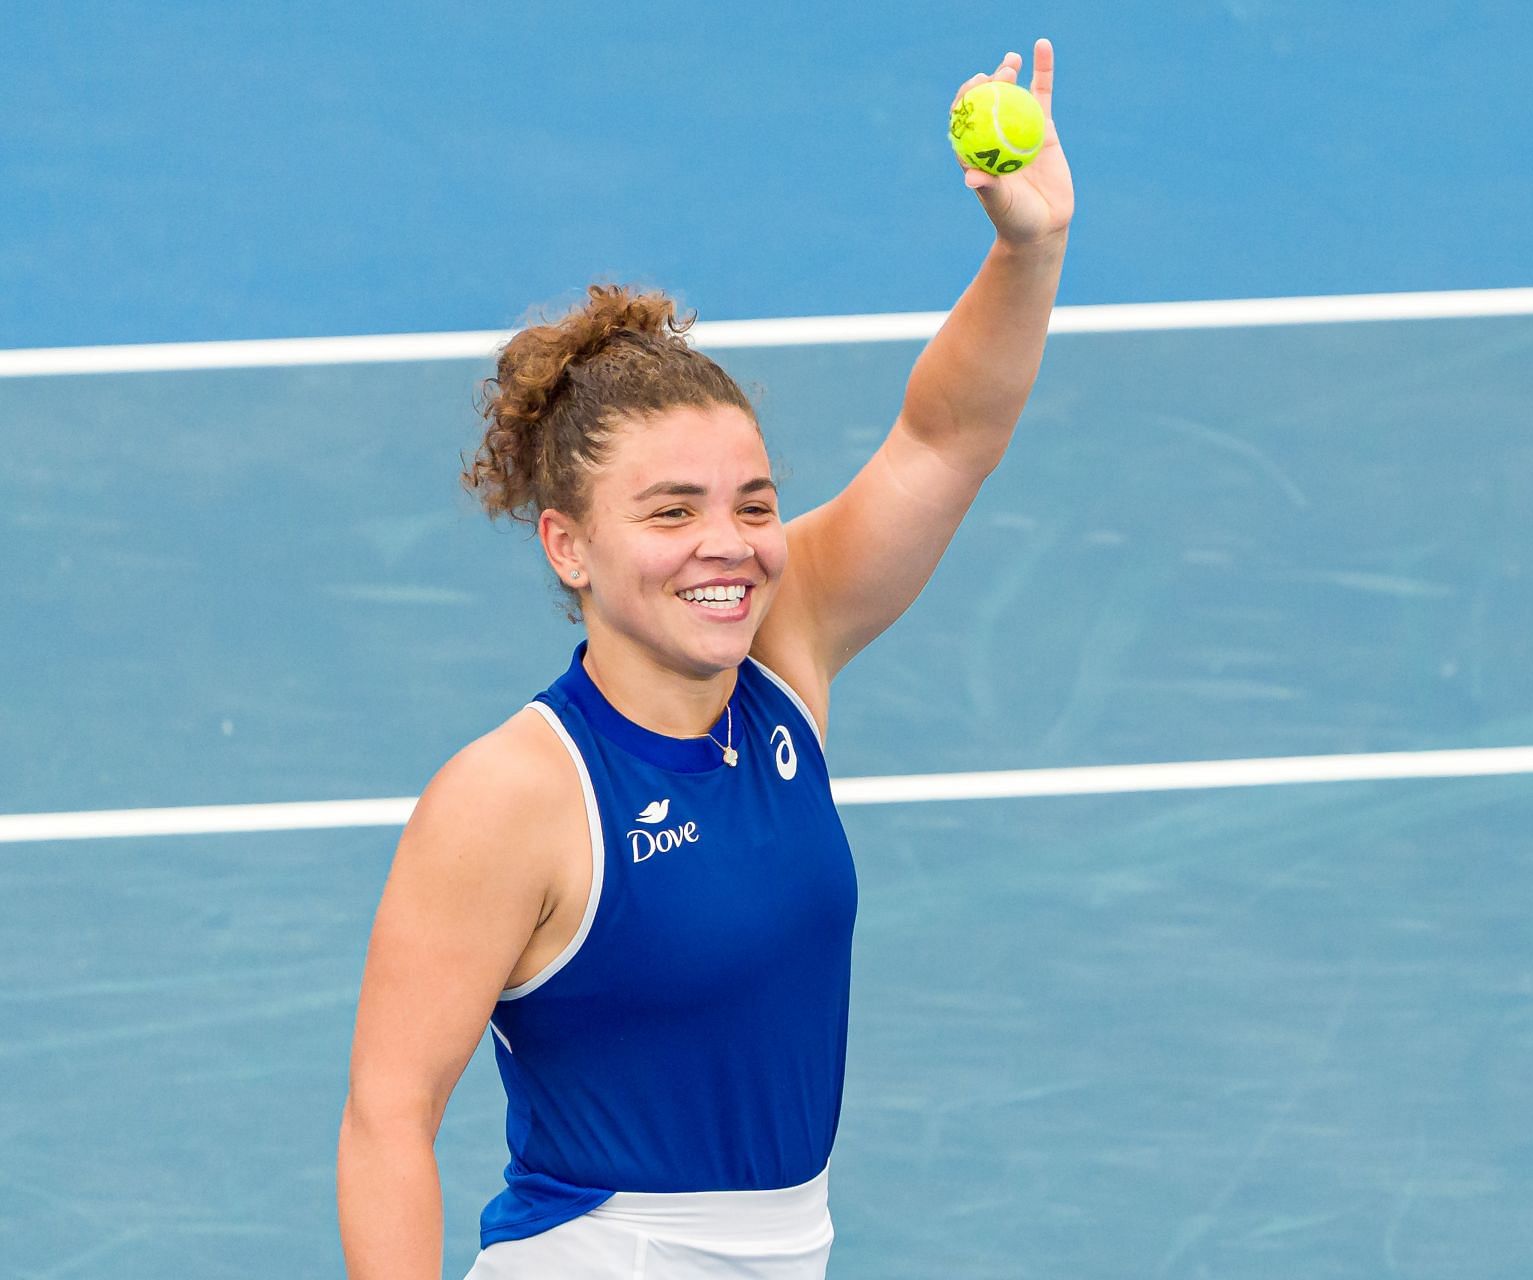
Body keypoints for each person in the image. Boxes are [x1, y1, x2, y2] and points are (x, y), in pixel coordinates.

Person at [337, 40, 1073, 1280]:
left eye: (752, 501)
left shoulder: (786, 654)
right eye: (671, 512)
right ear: (567, 545)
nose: (725, 546)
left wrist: (1027, 248)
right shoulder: (515, 796)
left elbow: (946, 438)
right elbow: (387, 1119)